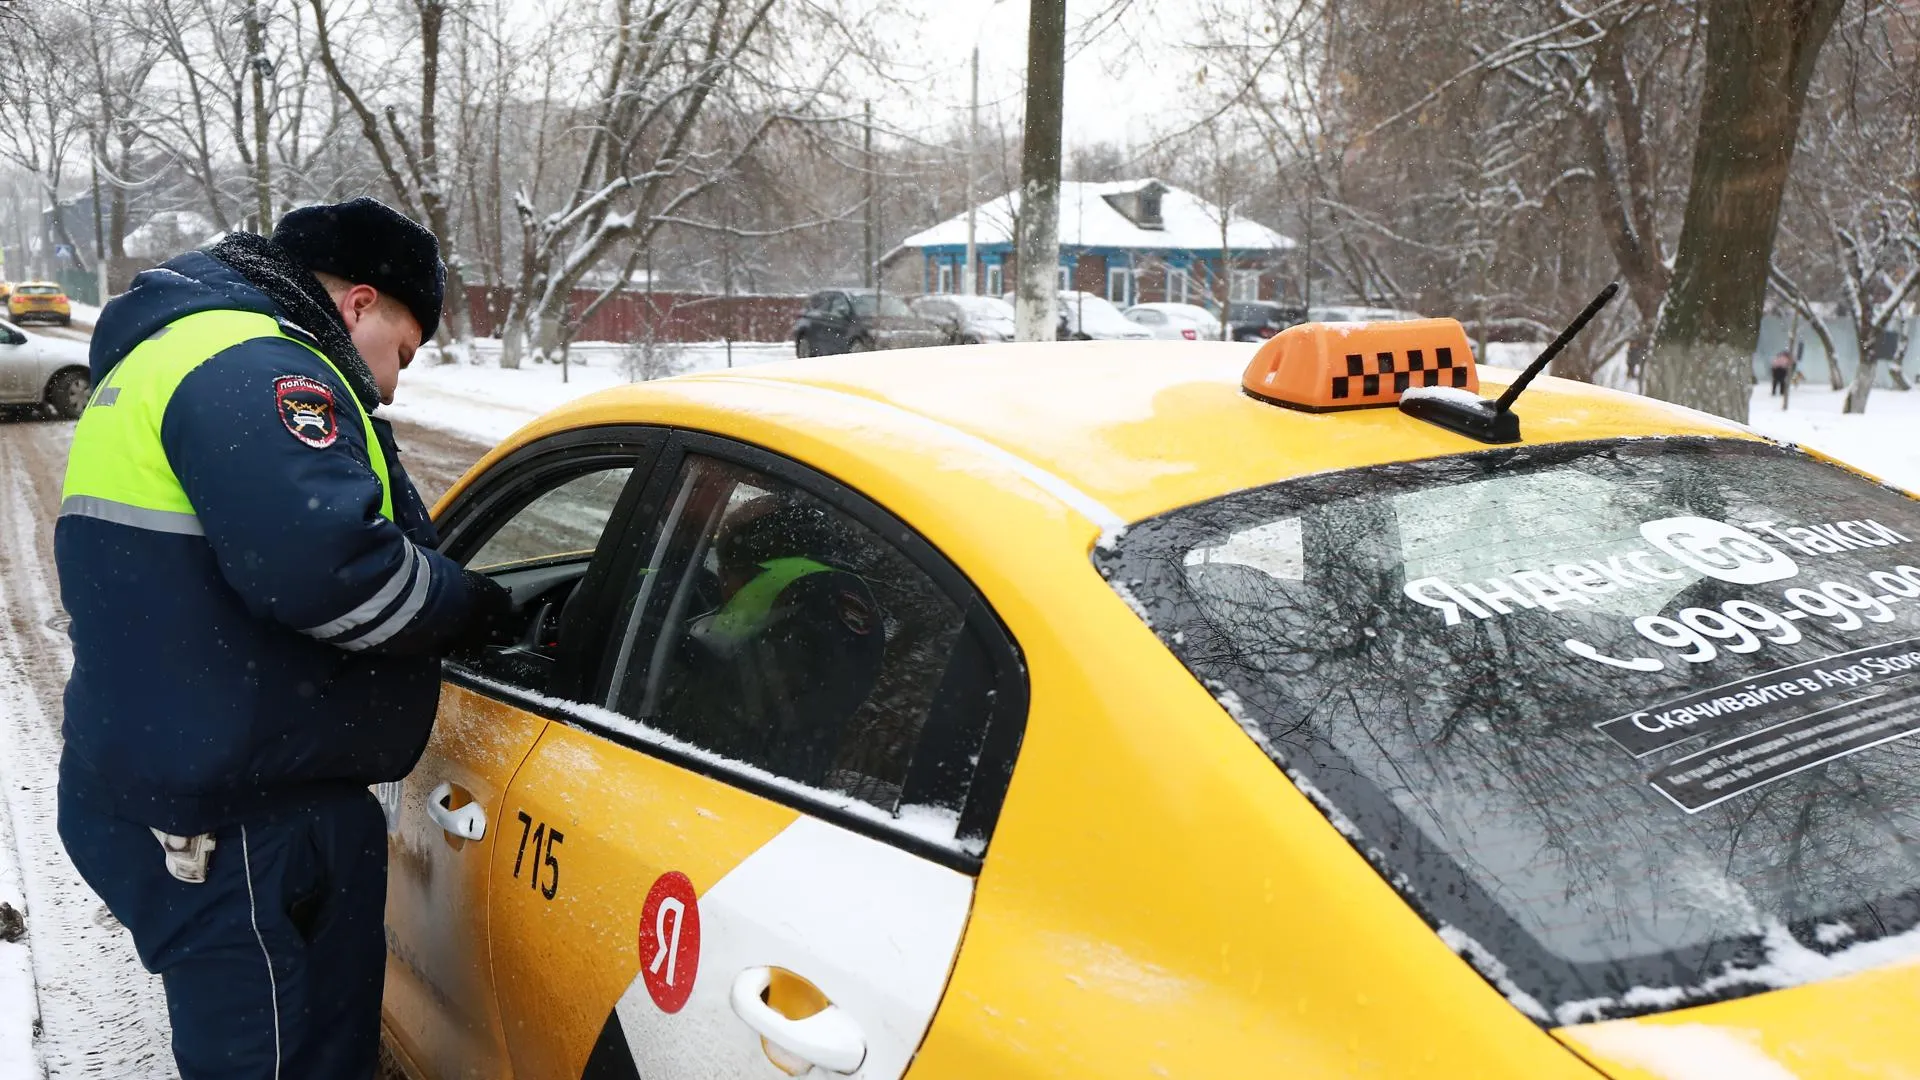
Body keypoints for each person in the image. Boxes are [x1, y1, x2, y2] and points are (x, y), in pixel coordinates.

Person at [54, 197, 513, 1079]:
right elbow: (334, 572)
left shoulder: (177, 350)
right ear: (360, 304)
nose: (391, 387)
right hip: (236, 822)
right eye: (403, 354)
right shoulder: (257, 364)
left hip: (198, 780)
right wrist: (476, 607)